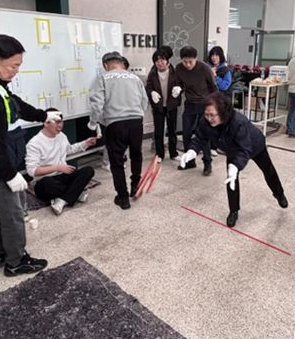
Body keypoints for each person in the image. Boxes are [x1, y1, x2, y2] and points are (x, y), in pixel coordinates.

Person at [0, 34, 60, 276]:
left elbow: (15, 104)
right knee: (14, 213)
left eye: (19, 65)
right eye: (13, 66)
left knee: (8, 212)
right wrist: (9, 175)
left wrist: (42, 115)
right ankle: (16, 262)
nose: (16, 71)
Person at [179, 92, 288, 227]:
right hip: (231, 149)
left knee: (268, 170)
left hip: (254, 145)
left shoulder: (238, 122)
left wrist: (236, 165)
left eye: (212, 115)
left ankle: (279, 194)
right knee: (231, 179)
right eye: (206, 114)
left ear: (222, 112)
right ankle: (234, 210)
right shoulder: (205, 121)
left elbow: (245, 149)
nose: (209, 118)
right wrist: (191, 151)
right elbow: (200, 138)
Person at [89, 52, 148, 210]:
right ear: (121, 63)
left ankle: (123, 198)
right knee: (136, 155)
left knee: (117, 162)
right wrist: (137, 115)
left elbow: (96, 104)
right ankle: (135, 186)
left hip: (115, 124)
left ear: (105, 65)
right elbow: (144, 100)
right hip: (136, 122)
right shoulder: (134, 78)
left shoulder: (103, 78)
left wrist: (94, 122)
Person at [25, 108, 97, 215]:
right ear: (46, 123)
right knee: (47, 184)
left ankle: (62, 200)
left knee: (88, 170)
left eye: (61, 122)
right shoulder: (34, 143)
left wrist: (85, 143)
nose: (60, 126)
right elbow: (32, 171)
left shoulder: (61, 136)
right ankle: (76, 193)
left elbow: (69, 150)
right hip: (44, 180)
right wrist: (57, 167)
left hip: (62, 175)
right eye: (57, 122)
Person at [175, 45, 217, 175]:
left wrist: (213, 106)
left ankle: (207, 163)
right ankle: (190, 161)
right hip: (190, 104)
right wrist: (178, 88)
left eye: (190, 62)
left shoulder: (205, 68)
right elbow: (180, 83)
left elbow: (213, 87)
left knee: (203, 135)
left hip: (204, 104)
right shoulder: (179, 68)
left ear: (196, 59)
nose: (187, 65)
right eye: (185, 61)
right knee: (186, 133)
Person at [145, 48, 181, 161]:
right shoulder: (152, 74)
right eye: (157, 60)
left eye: (162, 60)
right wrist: (151, 92)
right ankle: (160, 154)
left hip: (171, 106)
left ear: (167, 61)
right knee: (158, 131)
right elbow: (148, 87)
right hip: (158, 107)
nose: (159, 63)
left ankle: (173, 153)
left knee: (172, 131)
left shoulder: (175, 72)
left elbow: (182, 84)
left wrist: (179, 88)